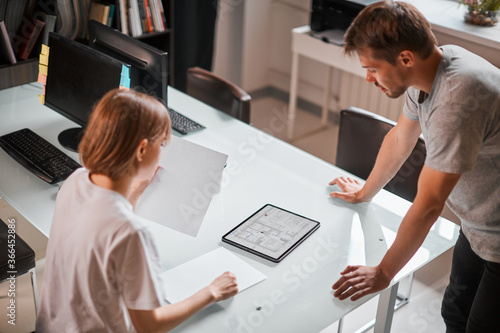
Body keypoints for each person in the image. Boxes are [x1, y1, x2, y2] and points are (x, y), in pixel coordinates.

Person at [328, 1, 500, 332]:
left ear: (405, 58)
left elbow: (428, 205)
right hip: (477, 222)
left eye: (373, 69)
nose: (368, 78)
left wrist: (383, 273)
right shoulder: (431, 70)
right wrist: (365, 192)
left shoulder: (456, 100)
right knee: (455, 314)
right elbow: (401, 138)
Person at [36, 89, 238, 332]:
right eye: (162, 144)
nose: (164, 151)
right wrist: (211, 292)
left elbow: (103, 226)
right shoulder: (132, 233)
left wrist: (135, 192)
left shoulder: (75, 180)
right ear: (142, 150)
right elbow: (149, 325)